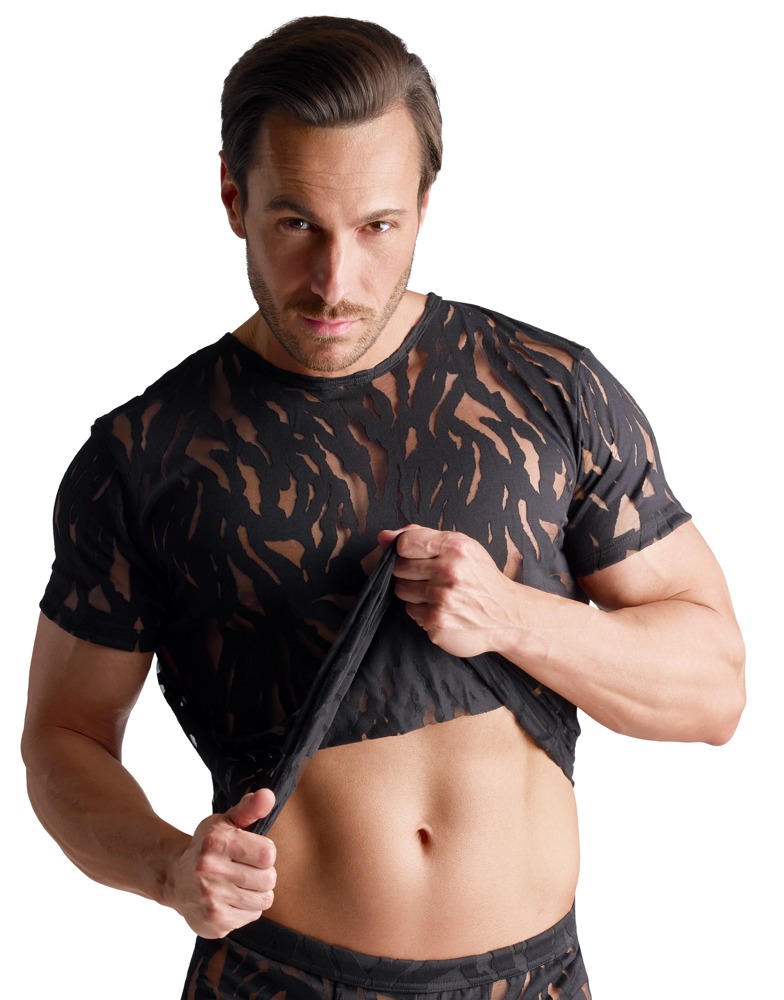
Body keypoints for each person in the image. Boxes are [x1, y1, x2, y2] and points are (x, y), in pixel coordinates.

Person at [21, 15, 745, 1000]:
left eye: (376, 227)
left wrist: (512, 616)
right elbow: (62, 737)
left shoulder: (548, 390)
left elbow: (714, 689)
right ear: (233, 197)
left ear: (423, 205)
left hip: (533, 981)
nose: (335, 282)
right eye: (296, 225)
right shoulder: (143, 455)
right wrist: (164, 866)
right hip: (279, 979)